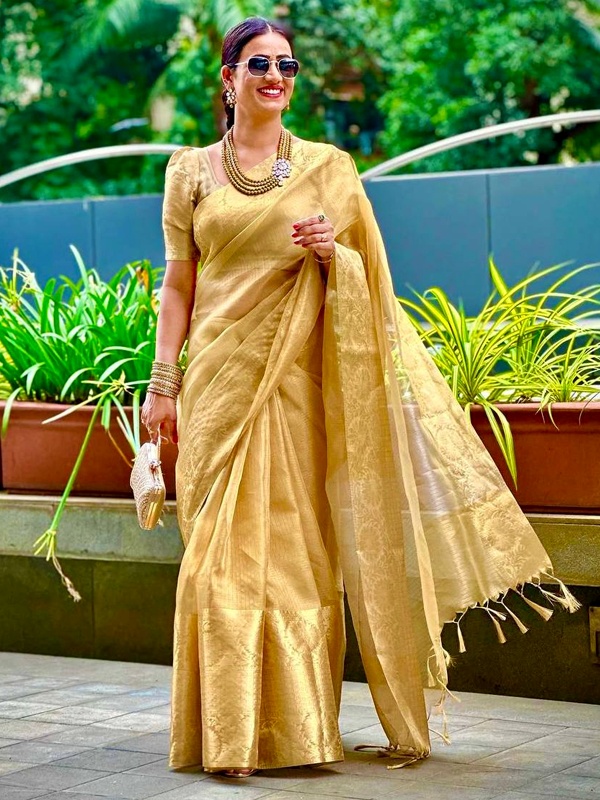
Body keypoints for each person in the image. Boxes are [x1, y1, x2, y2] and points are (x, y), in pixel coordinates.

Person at [141, 15, 578, 778]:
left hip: (294, 385)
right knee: (215, 561)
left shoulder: (328, 168)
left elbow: (369, 279)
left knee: (299, 558)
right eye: (259, 64)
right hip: (216, 383)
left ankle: (299, 736)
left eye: (288, 64)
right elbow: (179, 285)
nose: (276, 76)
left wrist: (329, 256)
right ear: (228, 77)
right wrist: (162, 386)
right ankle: (227, 731)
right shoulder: (189, 171)